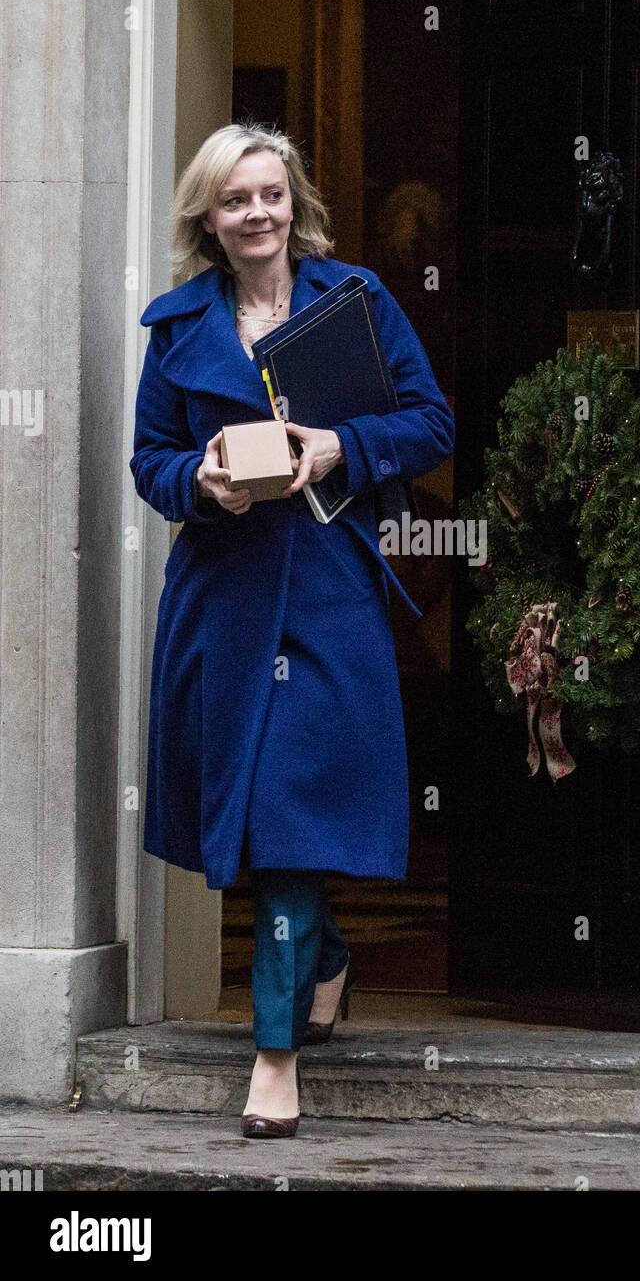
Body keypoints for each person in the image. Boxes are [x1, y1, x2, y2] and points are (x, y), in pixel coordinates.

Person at [129, 122, 455, 1138]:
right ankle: (319, 958)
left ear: (294, 203)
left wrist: (334, 450)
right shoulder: (177, 326)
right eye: (236, 201)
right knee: (256, 819)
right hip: (222, 601)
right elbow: (149, 460)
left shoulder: (352, 301)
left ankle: (273, 1057)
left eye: (270, 194)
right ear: (209, 219)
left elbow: (430, 423)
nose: (257, 214)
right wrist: (204, 483)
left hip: (327, 596)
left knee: (287, 819)